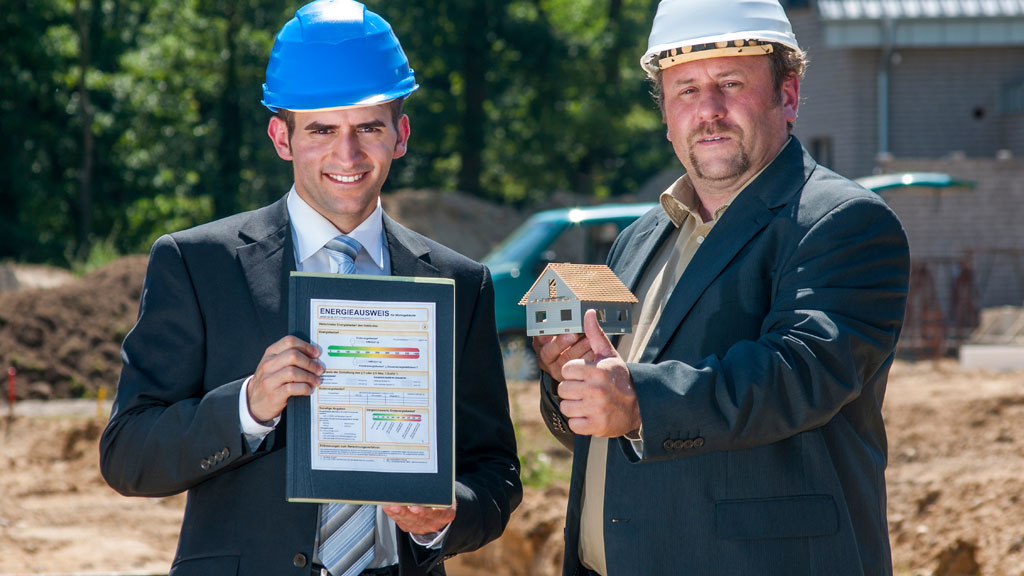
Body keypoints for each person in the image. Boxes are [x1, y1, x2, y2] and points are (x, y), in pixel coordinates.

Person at [99, 2, 521, 575]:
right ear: (282, 137)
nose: (346, 155)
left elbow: (495, 471)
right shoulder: (199, 265)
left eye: (368, 127)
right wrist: (248, 405)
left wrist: (446, 517)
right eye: (322, 129)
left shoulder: (457, 284)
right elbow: (127, 456)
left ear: (400, 134)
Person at [533, 0, 910, 574]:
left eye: (730, 83)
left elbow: (800, 372)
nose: (707, 111)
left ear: (788, 95)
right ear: (665, 114)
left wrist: (638, 402)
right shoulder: (637, 240)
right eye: (685, 90)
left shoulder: (842, 222)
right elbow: (613, 429)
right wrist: (570, 383)